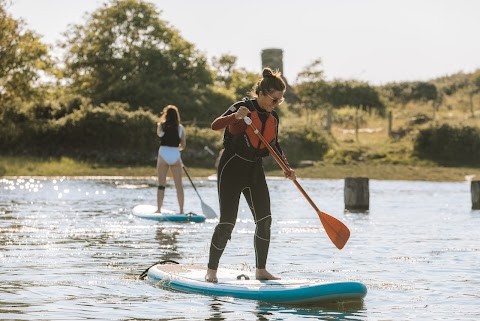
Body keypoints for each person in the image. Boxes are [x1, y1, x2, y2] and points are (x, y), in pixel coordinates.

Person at [205, 67, 296, 283]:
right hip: (232, 168)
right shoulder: (243, 107)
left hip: (254, 170)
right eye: (274, 100)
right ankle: (211, 270)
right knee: (227, 222)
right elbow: (215, 125)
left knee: (265, 220)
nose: (276, 104)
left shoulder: (273, 118)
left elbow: (274, 145)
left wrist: (286, 167)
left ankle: (261, 270)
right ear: (262, 94)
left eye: (280, 101)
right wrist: (235, 117)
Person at [156, 105, 186, 213]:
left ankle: (159, 210)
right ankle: (181, 211)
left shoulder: (161, 125)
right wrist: (176, 150)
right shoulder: (180, 128)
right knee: (179, 185)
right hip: (175, 155)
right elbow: (182, 145)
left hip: (163, 153)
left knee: (161, 184)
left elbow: (160, 135)